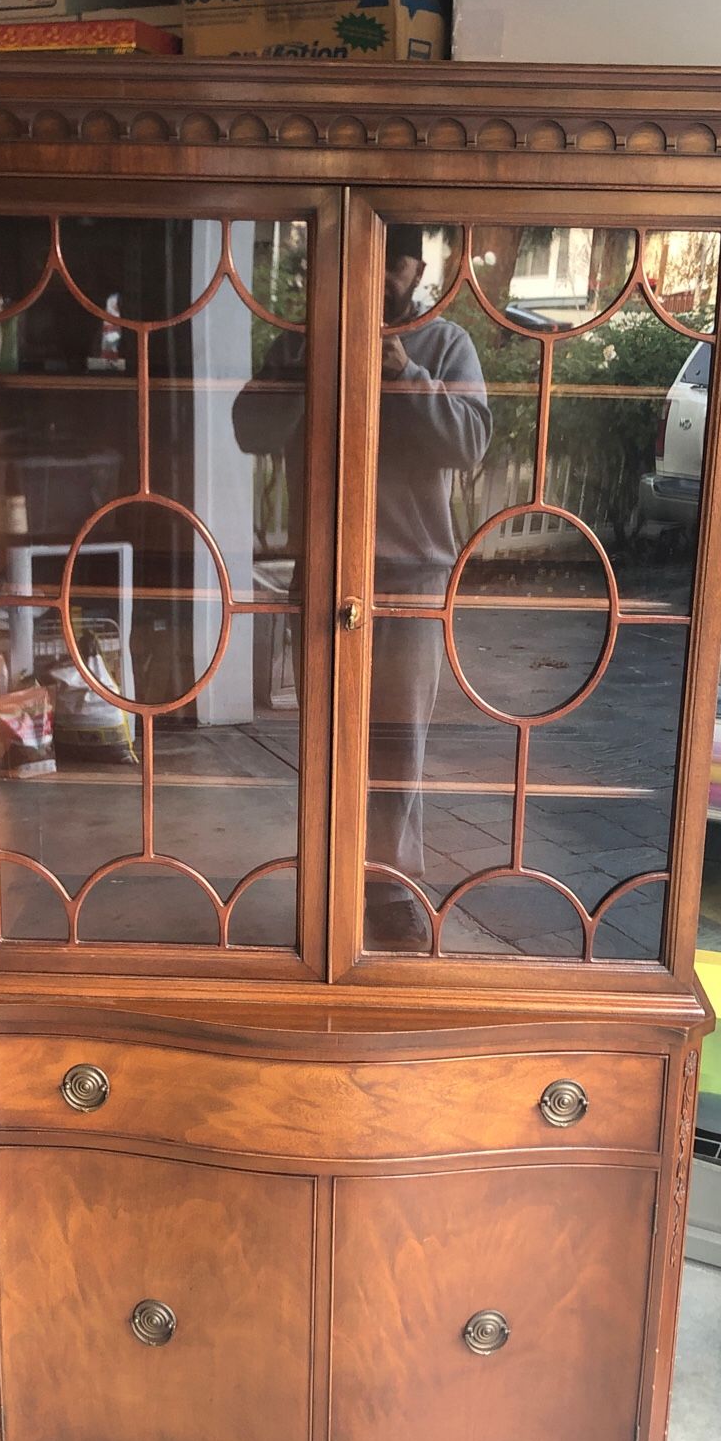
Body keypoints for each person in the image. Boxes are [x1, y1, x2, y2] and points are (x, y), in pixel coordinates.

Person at [234, 224, 490, 948]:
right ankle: (324, 884)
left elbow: (470, 443)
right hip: (320, 572)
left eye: (394, 262)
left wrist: (404, 373)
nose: (377, 276)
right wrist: (300, 366)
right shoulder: (296, 343)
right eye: (362, 261)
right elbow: (249, 429)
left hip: (410, 574)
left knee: (396, 744)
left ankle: (389, 888)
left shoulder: (445, 346)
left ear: (416, 268)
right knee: (322, 739)